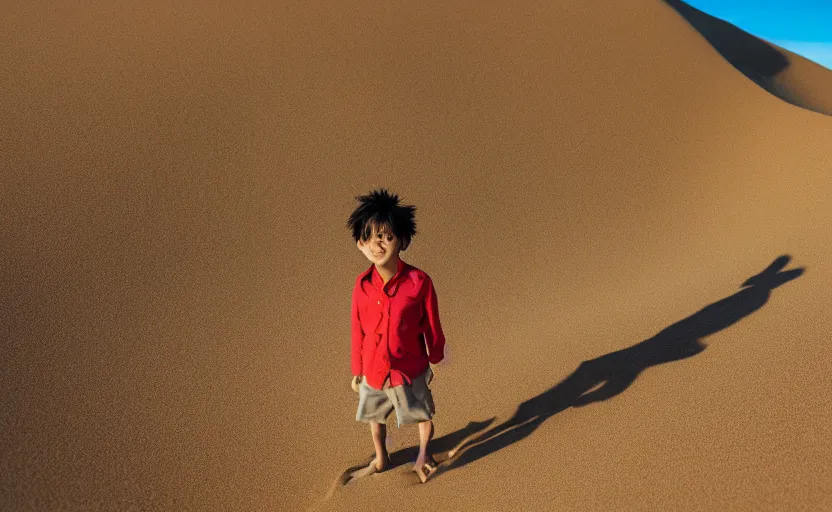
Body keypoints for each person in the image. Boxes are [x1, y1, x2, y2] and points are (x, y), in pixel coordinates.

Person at [345, 187, 446, 483]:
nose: (378, 245)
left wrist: (435, 357)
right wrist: (357, 370)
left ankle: (423, 456)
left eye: (387, 236)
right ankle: (380, 458)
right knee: (374, 419)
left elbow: (431, 324)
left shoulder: (419, 282)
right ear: (360, 244)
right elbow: (357, 331)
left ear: (403, 240)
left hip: (409, 367)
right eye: (370, 237)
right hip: (374, 370)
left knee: (423, 416)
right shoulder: (361, 285)